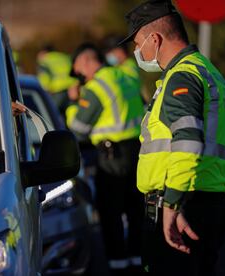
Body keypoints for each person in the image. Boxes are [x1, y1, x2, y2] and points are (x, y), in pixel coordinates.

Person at [120, 0, 225, 275]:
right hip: (207, 203)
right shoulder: (210, 74)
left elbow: (189, 141)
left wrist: (172, 203)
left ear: (155, 39)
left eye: (138, 44)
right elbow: (222, 150)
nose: (137, 52)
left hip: (181, 206)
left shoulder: (181, 77)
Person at [66, 42, 145, 275]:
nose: (80, 76)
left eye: (79, 70)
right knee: (135, 211)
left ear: (87, 62)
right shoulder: (127, 75)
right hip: (137, 152)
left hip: (111, 158)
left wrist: (73, 103)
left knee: (110, 214)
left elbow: (78, 128)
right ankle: (137, 262)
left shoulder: (96, 87)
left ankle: (118, 266)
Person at [103, 35, 150, 104]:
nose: (110, 55)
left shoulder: (130, 65)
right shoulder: (118, 67)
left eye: (113, 52)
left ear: (121, 51)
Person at [37, 45, 77, 118]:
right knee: (70, 114)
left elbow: (44, 78)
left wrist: (45, 92)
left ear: (44, 52)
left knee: (53, 115)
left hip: (58, 91)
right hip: (72, 89)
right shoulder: (64, 57)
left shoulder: (44, 60)